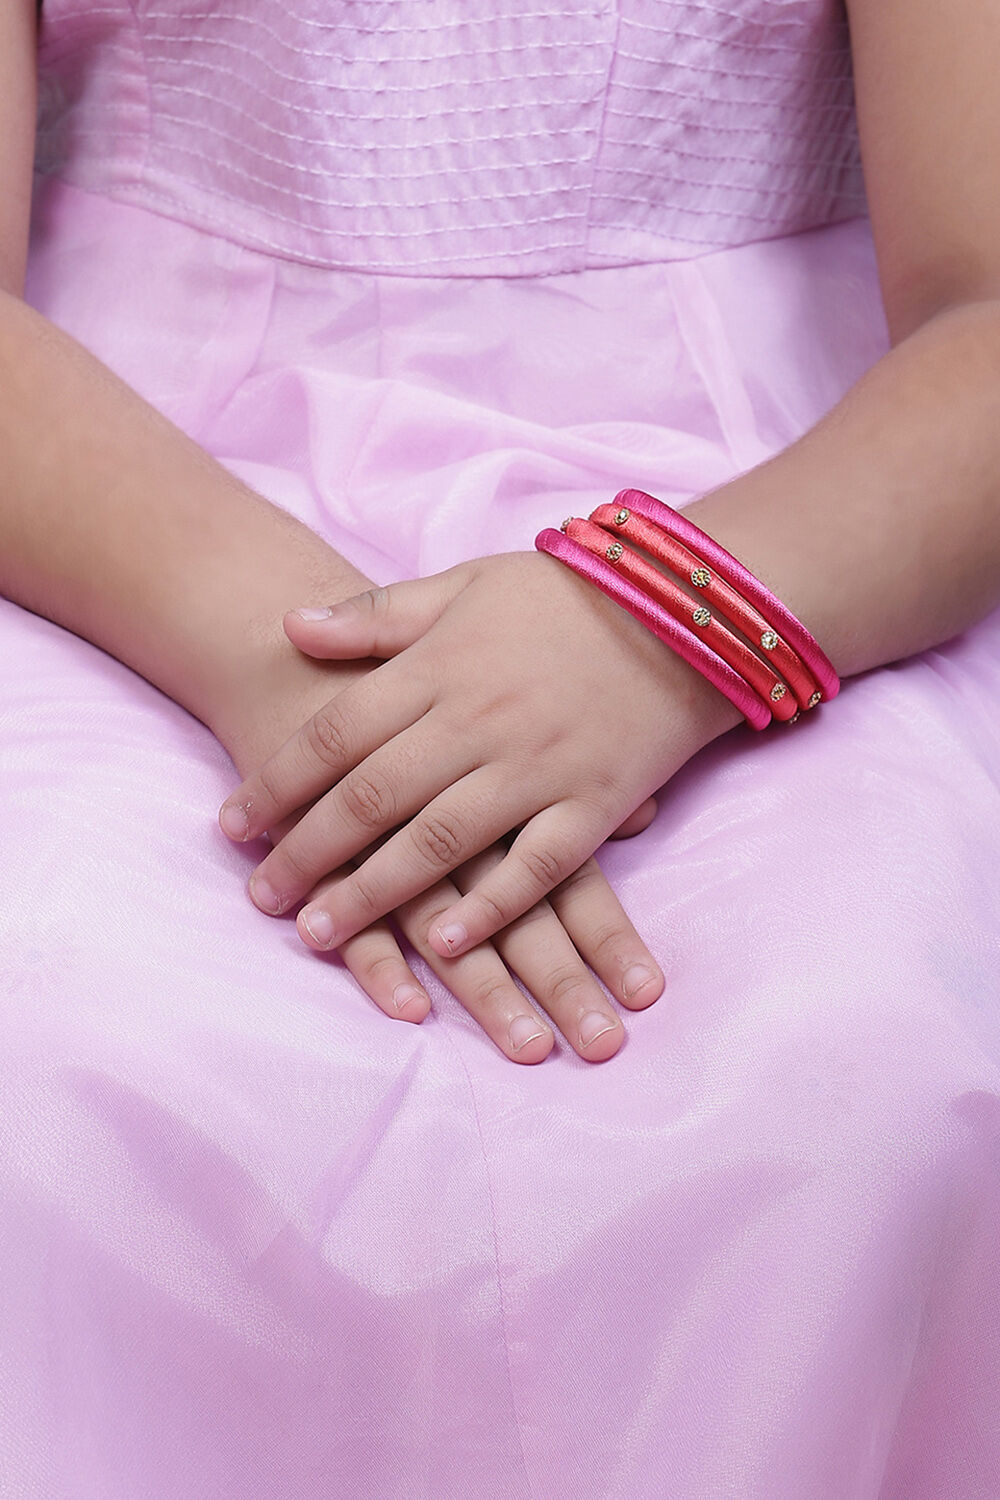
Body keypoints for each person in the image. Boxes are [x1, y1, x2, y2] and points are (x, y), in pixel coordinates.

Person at [2, 0, 999, 1494]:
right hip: (105, 502)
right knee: (59, 1063)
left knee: (862, 1079)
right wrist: (302, 666)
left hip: (807, 499)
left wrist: (661, 629)